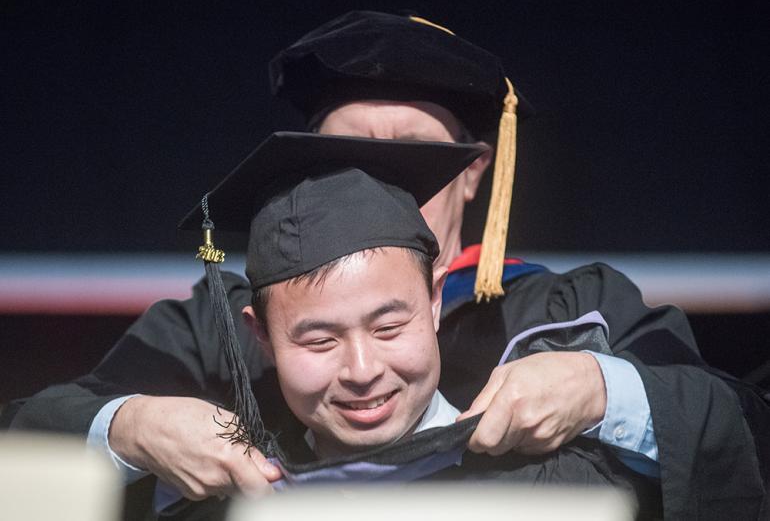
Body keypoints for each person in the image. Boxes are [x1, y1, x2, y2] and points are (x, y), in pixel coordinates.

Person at [2, 10, 768, 520]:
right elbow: (32, 440)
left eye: (412, 159)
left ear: (474, 172)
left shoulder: (574, 309)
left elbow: (747, 434)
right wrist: (131, 424)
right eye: (345, 157)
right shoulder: (218, 325)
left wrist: (605, 388)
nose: (379, 186)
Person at [162, 130, 655, 520]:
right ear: (261, 337)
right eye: (319, 340)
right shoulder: (224, 506)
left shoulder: (560, 490)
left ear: (436, 300)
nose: (362, 370)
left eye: (389, 328)